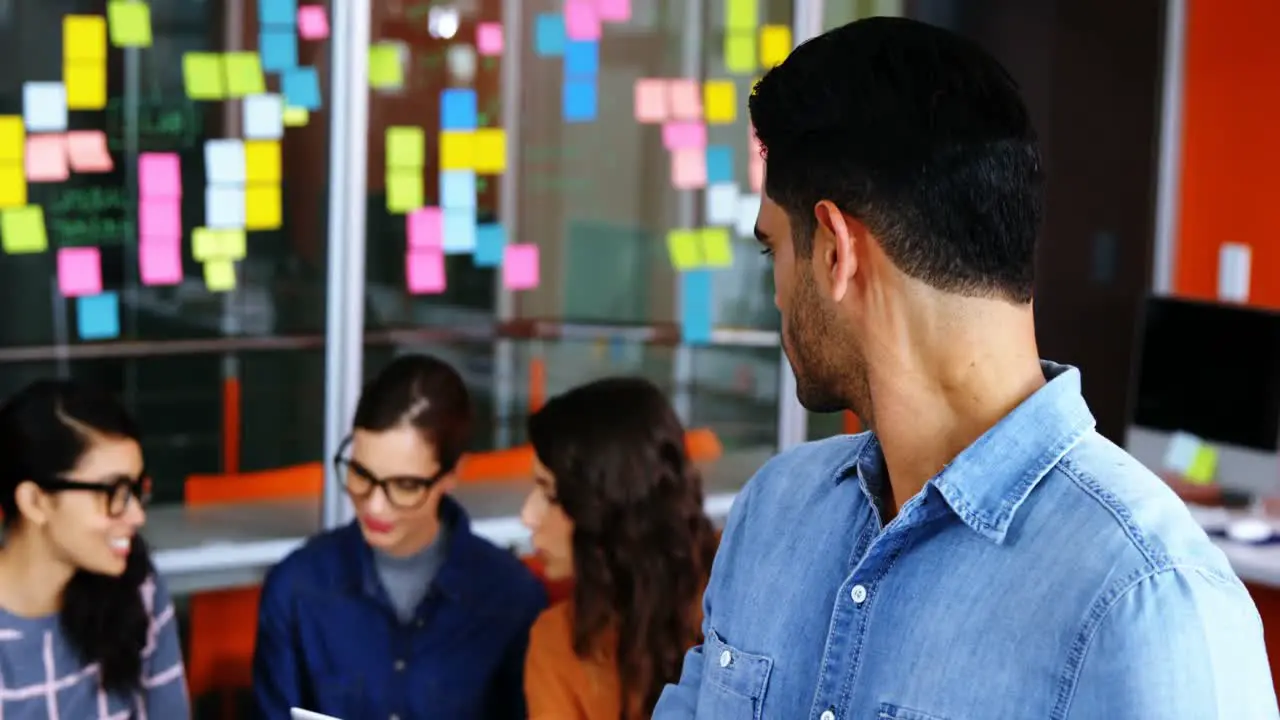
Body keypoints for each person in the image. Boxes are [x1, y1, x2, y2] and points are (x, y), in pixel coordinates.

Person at [655, 16, 1277, 720]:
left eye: (774, 252)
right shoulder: (774, 512)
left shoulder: (1150, 604)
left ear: (835, 251)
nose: (773, 293)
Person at [252, 354, 547, 720]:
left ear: (452, 474)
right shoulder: (296, 589)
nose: (375, 506)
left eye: (405, 486)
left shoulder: (512, 599)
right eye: (361, 473)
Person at [521, 378, 719, 720]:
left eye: (550, 493)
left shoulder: (739, 593)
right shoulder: (556, 642)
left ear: (610, 501)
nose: (527, 516)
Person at [0, 379, 189, 718]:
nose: (136, 514)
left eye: (135, 489)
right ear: (35, 502)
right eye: (113, 492)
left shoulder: (137, 586)